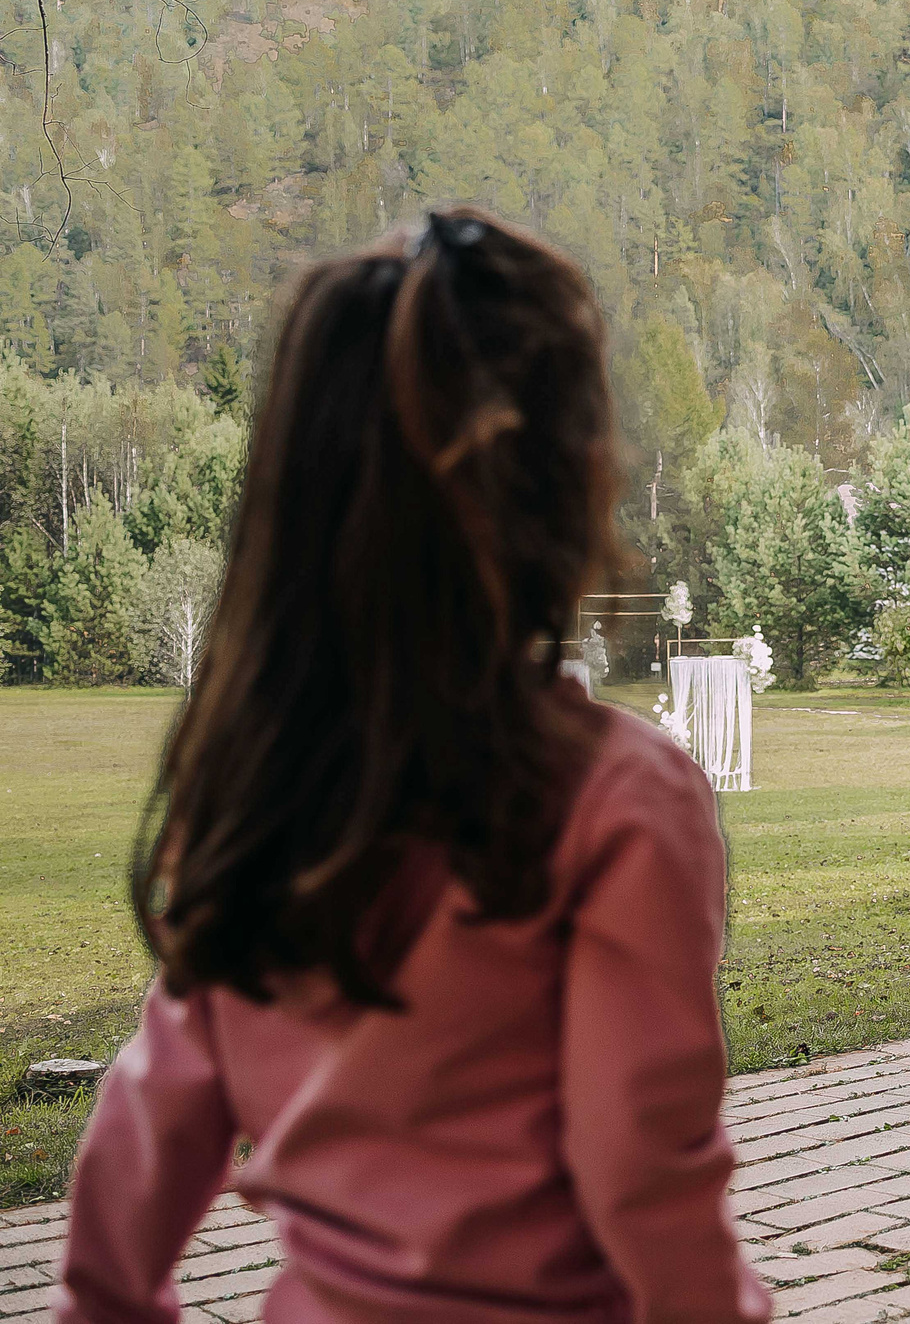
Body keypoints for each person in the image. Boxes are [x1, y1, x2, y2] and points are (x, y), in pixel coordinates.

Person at [52, 212, 768, 1324]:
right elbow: (645, 1172)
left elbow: (149, 1127)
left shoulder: (259, 787)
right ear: (565, 484)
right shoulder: (618, 799)